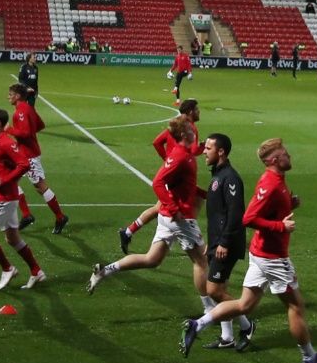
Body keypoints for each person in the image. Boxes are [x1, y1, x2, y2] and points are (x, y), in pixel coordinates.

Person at [178, 138, 317, 363]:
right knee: (296, 307)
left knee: (243, 305)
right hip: (273, 258)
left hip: (261, 255)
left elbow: (268, 211)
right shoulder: (270, 182)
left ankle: (197, 324)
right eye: (285, 153)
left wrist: (288, 206)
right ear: (274, 160)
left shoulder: (277, 181)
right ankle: (309, 356)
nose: (289, 156)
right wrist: (281, 227)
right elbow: (249, 218)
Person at [86, 119, 216, 317]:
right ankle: (209, 309)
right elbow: (157, 183)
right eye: (190, 129)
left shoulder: (186, 154)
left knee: (152, 259)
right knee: (201, 262)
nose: (194, 130)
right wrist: (174, 208)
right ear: (183, 135)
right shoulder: (181, 156)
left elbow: (183, 183)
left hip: (168, 218)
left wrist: (203, 193)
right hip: (181, 219)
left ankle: (104, 271)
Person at [0, 108, 46, 290]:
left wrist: (4, 180)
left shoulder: (5, 142)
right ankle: (37, 271)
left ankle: (7, 268)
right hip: (6, 198)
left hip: (5, 199)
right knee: (13, 239)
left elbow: (24, 164)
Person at [195, 133, 254, 349]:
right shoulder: (218, 175)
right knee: (220, 290)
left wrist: (223, 243)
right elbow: (218, 216)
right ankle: (227, 337)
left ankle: (247, 325)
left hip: (227, 244)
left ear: (221, 151)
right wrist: (212, 245)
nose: (204, 151)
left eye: (208, 148)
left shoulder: (230, 178)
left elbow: (235, 213)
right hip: (218, 243)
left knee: (214, 291)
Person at [118, 100, 198, 253]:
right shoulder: (189, 129)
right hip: (177, 174)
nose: (199, 112)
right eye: (197, 109)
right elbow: (192, 151)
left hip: (172, 171)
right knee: (169, 208)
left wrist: (167, 160)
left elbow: (157, 142)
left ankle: (128, 232)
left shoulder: (176, 127)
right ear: (190, 112)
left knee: (158, 209)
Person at [8, 82, 69, 233]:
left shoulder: (20, 111)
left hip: (29, 155)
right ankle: (27, 215)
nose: (7, 97)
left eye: (10, 94)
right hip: (24, 153)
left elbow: (26, 133)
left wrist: (8, 129)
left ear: (17, 96)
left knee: (40, 186)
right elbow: (40, 125)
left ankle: (60, 217)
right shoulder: (28, 108)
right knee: (10, 180)